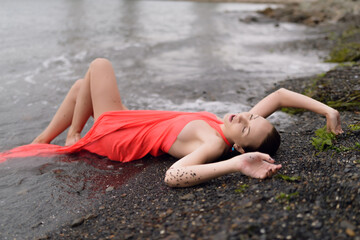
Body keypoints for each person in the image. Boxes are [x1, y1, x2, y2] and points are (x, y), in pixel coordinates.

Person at [4, 58, 343, 187]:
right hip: (131, 120)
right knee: (81, 88)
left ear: (239, 146)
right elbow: (281, 95)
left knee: (101, 65)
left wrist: (238, 164)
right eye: (252, 115)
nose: (243, 115)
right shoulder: (233, 126)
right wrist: (328, 112)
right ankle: (45, 139)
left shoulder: (214, 143)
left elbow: (174, 175)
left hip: (117, 135)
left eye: (246, 126)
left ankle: (73, 135)